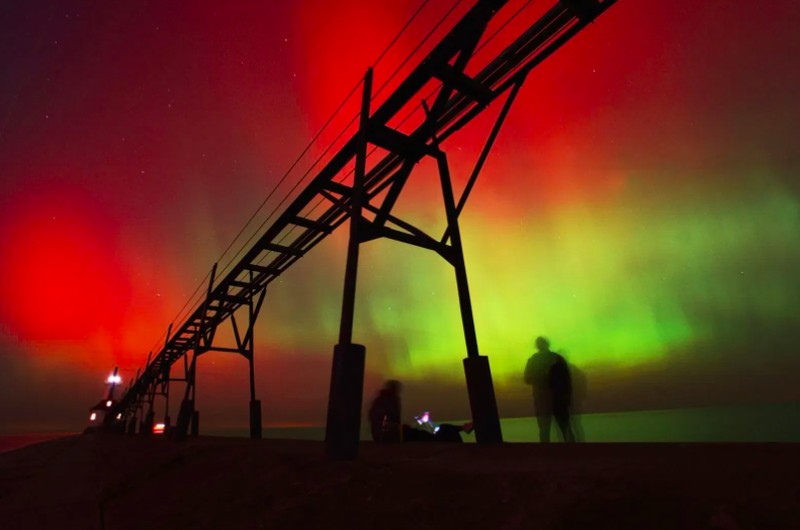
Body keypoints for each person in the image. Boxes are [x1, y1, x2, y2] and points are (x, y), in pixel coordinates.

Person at [367, 380, 473, 443]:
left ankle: (463, 428)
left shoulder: (381, 401)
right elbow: (391, 422)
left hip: (397, 435)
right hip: (397, 436)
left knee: (439, 431)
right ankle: (463, 428)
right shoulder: (389, 400)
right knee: (441, 431)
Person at [524, 336, 575, 442]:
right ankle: (573, 450)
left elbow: (527, 379)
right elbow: (567, 380)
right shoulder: (557, 358)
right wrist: (567, 397)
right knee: (565, 428)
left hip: (541, 399)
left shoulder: (533, 360)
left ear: (537, 346)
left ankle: (546, 451)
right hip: (558, 398)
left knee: (544, 430)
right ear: (547, 344)